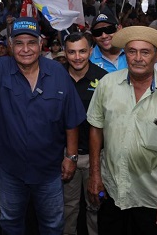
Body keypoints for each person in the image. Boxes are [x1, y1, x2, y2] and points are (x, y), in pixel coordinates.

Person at [0, 17, 86, 235]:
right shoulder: (1, 69)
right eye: (19, 43)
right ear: (10, 46)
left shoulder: (58, 73)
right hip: (11, 170)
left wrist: (72, 156)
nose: (26, 49)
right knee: (10, 222)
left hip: (49, 169)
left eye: (31, 42)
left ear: (41, 44)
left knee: (53, 224)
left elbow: (71, 118)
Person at [87, 26, 157, 235]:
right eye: (132, 51)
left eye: (145, 52)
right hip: (113, 192)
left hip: (153, 199)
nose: (138, 58)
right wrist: (94, 176)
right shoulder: (107, 85)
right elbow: (96, 128)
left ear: (156, 55)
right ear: (124, 54)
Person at [62, 32, 108, 235]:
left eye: (82, 51)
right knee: (68, 208)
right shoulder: (57, 78)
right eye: (72, 52)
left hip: (96, 158)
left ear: (91, 51)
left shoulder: (104, 80)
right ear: (65, 53)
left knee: (96, 206)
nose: (77, 57)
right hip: (65, 156)